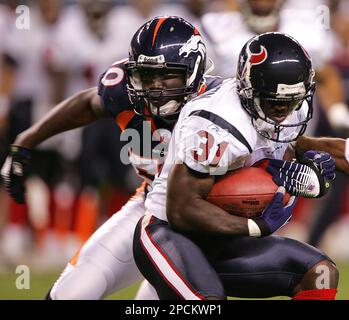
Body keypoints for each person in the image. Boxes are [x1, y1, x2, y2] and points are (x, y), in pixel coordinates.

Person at [1, 16, 221, 299]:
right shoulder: (124, 90)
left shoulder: (221, 105)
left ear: (193, 71)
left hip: (202, 224)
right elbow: (88, 104)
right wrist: (26, 141)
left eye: (167, 75)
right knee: (69, 295)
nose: (155, 87)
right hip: (149, 206)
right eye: (146, 75)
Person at [133, 32, 349, 300]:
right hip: (168, 232)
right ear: (248, 90)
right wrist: (255, 226)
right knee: (208, 301)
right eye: (275, 101)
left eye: (291, 101)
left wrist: (314, 159)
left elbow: (284, 142)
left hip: (224, 240)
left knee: (320, 273)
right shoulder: (219, 125)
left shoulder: (284, 107)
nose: (283, 111)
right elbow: (181, 208)